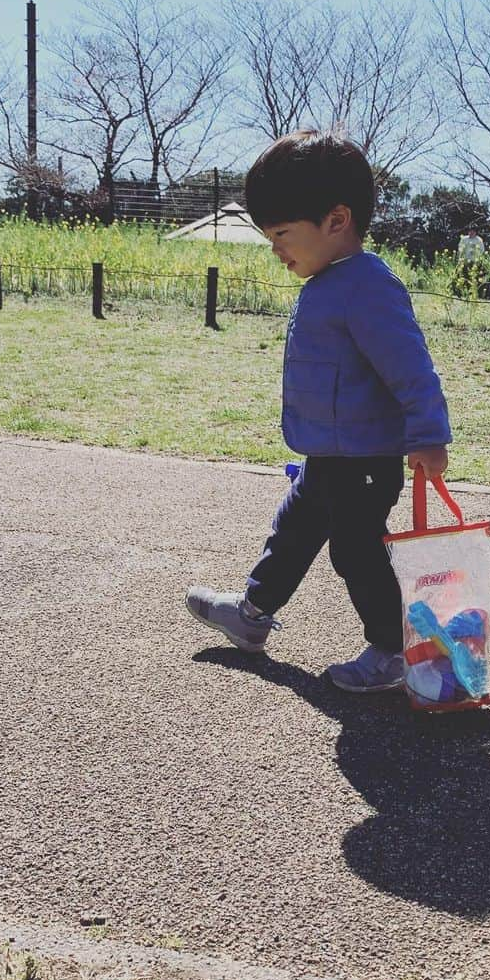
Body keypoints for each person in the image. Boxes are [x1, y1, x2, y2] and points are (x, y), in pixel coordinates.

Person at [185, 130, 452, 693]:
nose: (276, 249)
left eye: (282, 234)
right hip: (329, 454)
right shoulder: (330, 280)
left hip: (366, 460)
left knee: (357, 552)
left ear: (335, 220)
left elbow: (412, 368)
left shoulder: (367, 285)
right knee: (293, 531)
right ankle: (253, 613)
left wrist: (429, 436)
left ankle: (392, 649)